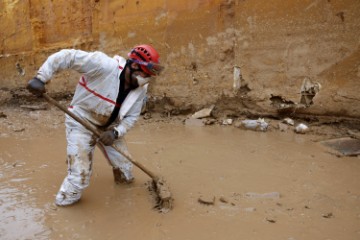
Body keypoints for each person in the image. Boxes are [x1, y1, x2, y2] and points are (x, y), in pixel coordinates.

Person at [26, 45, 163, 206]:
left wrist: (115, 133)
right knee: (79, 178)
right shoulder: (103, 65)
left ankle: (123, 198)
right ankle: (63, 206)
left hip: (110, 128)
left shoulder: (140, 89)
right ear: (133, 65)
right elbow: (68, 56)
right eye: (146, 74)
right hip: (81, 122)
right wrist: (41, 77)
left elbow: (131, 117)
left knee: (125, 171)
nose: (147, 79)